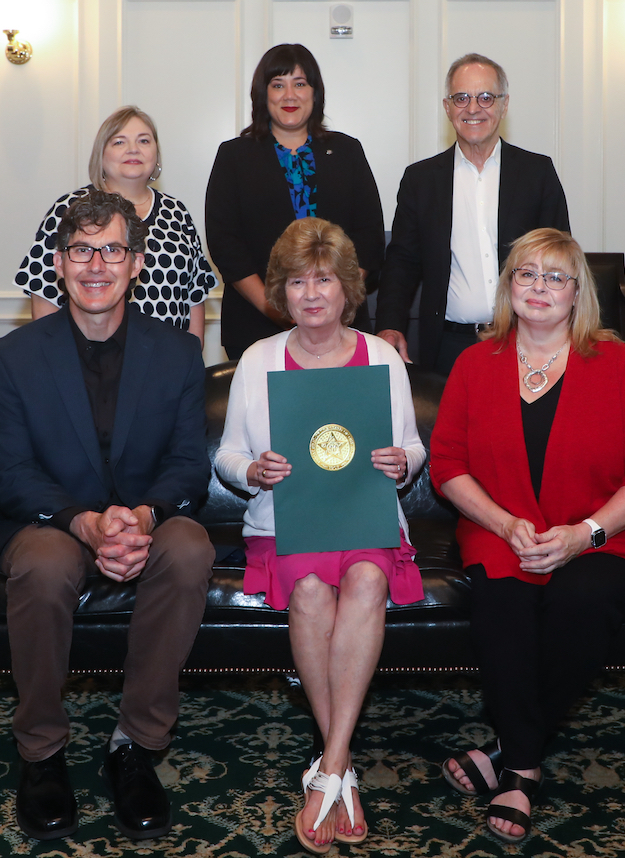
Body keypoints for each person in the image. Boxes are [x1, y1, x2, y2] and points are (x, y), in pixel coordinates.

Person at [0, 189, 215, 841]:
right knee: (49, 563)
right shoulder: (14, 356)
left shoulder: (176, 353)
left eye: (111, 249)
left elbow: (187, 463)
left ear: (136, 263)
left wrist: (143, 517)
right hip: (48, 523)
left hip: (145, 519)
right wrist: (82, 523)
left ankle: (135, 746)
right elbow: (6, 471)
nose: (95, 264)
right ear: (57, 263)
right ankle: (42, 752)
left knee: (191, 546)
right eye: (81, 250)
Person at [429, 228, 625, 844]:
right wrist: (504, 522)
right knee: (502, 605)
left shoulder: (616, 363)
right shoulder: (473, 362)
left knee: (579, 601)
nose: (539, 287)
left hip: (607, 532)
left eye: (554, 276)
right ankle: (524, 758)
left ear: (576, 292)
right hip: (500, 526)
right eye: (526, 273)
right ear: (509, 286)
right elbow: (448, 466)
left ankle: (513, 761)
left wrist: (583, 535)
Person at [215, 218, 425, 853]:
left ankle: (329, 769)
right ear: (283, 291)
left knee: (365, 580)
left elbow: (414, 447)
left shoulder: (382, 356)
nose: (311, 294)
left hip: (364, 518)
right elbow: (225, 457)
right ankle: (342, 771)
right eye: (299, 281)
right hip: (288, 520)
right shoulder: (257, 360)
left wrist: (402, 463)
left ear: (347, 289)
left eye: (325, 280)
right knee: (308, 589)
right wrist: (253, 470)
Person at [375, 53, 571, 374]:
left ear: (504, 105)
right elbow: (401, 263)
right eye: (461, 97)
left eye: (486, 97)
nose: (473, 108)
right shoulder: (420, 180)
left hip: (526, 340)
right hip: (448, 347)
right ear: (447, 107)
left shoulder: (537, 173)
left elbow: (560, 260)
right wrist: (389, 326)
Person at [205, 43, 384, 360]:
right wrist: (271, 304)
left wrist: (336, 300)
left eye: (300, 84)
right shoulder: (234, 156)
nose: (290, 95)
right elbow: (224, 242)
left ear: (315, 93)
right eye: (278, 85)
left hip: (342, 325)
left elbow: (370, 234)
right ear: (263, 94)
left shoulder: (347, 151)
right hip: (256, 324)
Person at [14, 106, 217, 344]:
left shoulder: (177, 212)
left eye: (144, 140)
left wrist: (190, 361)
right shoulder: (70, 208)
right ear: (101, 155)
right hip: (86, 362)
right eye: (119, 142)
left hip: (166, 362)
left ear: (156, 155)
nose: (133, 149)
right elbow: (43, 291)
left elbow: (194, 297)